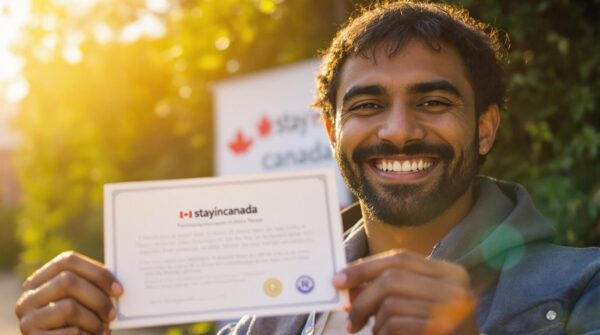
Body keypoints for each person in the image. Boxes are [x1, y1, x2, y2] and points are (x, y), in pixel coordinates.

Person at [15, 1, 600, 334]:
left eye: (433, 102)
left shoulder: (582, 289)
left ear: (485, 126)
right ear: (331, 132)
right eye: (367, 106)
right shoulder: (264, 314)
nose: (397, 131)